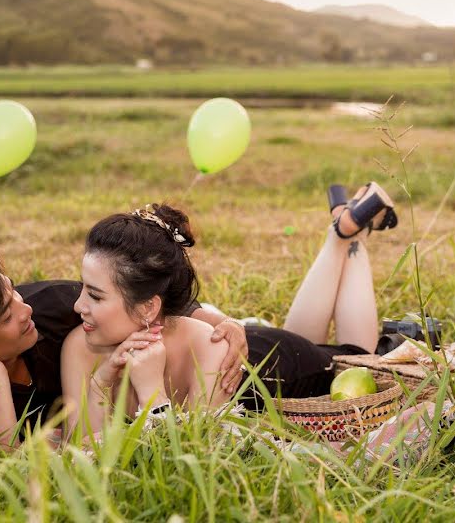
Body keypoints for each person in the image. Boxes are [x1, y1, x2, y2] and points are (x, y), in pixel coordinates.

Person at [61, 182, 399, 435]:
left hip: (283, 368)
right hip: (247, 336)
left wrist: (152, 392)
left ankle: (349, 237)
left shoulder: (206, 348)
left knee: (355, 352)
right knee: (304, 333)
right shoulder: (80, 346)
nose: (78, 306)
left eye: (95, 295)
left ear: (149, 307)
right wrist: (100, 385)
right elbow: (82, 451)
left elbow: (196, 454)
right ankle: (343, 231)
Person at [0, 247, 247, 445]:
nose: (23, 308)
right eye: (5, 314)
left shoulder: (47, 306)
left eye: (12, 290)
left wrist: (226, 324)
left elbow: (146, 300)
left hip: (209, 359)